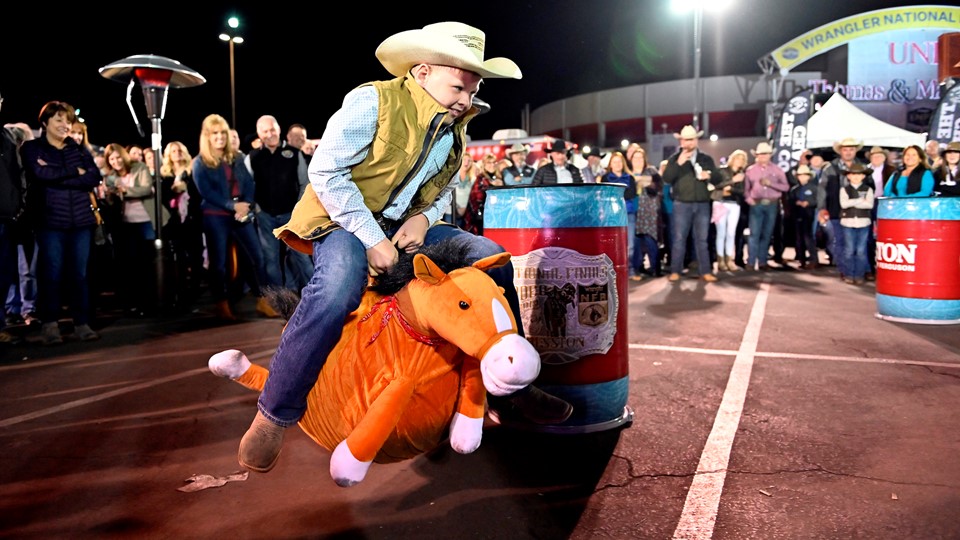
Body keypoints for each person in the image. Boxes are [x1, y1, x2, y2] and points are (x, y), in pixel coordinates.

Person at [239, 21, 572, 473]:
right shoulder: (371, 101)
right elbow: (326, 174)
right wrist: (372, 238)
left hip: (403, 226)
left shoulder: (457, 127)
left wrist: (422, 218)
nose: (466, 100)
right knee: (338, 286)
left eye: (472, 90)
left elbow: (442, 192)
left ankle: (505, 389)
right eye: (459, 86)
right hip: (339, 218)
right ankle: (274, 412)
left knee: (491, 259)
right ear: (422, 72)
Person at [19, 101, 102, 344]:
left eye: (67, 120)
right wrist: (75, 173)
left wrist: (60, 173)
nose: (65, 125)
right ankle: (50, 325)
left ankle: (82, 323)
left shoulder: (76, 148)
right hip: (50, 220)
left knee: (80, 274)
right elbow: (39, 174)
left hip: (81, 221)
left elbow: (94, 177)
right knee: (51, 273)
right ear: (44, 123)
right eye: (58, 120)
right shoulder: (33, 148)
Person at [193, 113, 277, 321]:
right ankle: (222, 304)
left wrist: (245, 205)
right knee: (219, 263)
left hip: (241, 214)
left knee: (258, 257)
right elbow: (207, 193)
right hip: (216, 216)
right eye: (215, 133)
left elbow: (249, 183)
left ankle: (263, 301)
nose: (220, 137)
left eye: (223, 132)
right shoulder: (200, 162)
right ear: (207, 136)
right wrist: (233, 205)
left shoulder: (237, 157)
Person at [246, 115, 313, 292]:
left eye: (272, 129)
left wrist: (299, 209)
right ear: (259, 134)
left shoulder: (294, 154)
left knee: (302, 257)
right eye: (265, 131)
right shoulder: (253, 157)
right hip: (266, 216)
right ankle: (278, 301)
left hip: (292, 217)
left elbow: (304, 183)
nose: (270, 134)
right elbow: (247, 185)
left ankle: (317, 295)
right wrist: (257, 209)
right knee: (271, 260)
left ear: (279, 129)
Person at [102, 143, 169, 316]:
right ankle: (134, 302)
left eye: (118, 157)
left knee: (148, 261)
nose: (116, 161)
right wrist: (110, 195)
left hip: (146, 220)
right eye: (112, 159)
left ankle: (154, 301)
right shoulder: (110, 177)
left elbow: (147, 189)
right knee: (131, 263)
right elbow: (111, 202)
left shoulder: (139, 167)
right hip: (126, 223)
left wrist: (124, 190)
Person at [661, 125, 719, 282]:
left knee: (702, 239)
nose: (688, 143)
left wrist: (710, 175)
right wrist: (678, 164)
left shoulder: (705, 159)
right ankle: (676, 271)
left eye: (691, 139)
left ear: (696, 140)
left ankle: (705, 271)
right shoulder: (674, 159)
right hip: (682, 204)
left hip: (702, 204)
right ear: (680, 141)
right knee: (679, 239)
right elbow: (666, 178)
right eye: (685, 140)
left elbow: (718, 179)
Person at [159, 141, 205, 309]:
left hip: (192, 221)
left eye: (180, 150)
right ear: (168, 155)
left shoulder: (193, 171)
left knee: (196, 257)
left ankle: (194, 292)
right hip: (174, 223)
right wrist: (174, 189)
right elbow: (163, 197)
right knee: (179, 260)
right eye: (173, 151)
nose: (177, 153)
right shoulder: (165, 175)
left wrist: (187, 187)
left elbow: (200, 193)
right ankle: (180, 293)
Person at [818, 137, 866, 279]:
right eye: (845, 149)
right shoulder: (830, 168)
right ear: (840, 151)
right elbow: (822, 190)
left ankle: (859, 270)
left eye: (851, 149)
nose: (848, 152)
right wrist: (822, 208)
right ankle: (845, 270)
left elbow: (869, 187)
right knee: (840, 241)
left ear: (855, 151)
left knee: (859, 243)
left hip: (858, 211)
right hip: (836, 211)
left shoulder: (863, 167)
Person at [0, 92, 25, 344]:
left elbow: (17, 174)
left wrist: (19, 204)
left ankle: (0, 325)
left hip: (6, 216)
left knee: (3, 273)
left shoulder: (6, 136)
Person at [743, 142, 790, 271]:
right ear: (756, 156)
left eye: (766, 154)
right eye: (761, 154)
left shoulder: (777, 170)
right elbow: (746, 189)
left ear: (770, 155)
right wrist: (749, 199)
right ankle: (751, 262)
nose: (763, 156)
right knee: (754, 234)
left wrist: (771, 184)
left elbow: (786, 187)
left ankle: (762, 261)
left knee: (767, 234)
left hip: (772, 204)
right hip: (756, 204)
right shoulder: (750, 171)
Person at [839, 163, 874, 285]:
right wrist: (860, 200)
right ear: (848, 176)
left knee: (861, 251)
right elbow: (844, 204)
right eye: (853, 174)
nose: (856, 176)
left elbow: (869, 205)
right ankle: (849, 274)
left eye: (859, 174)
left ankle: (859, 275)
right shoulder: (844, 190)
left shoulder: (868, 189)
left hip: (863, 222)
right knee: (849, 250)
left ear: (863, 176)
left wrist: (852, 202)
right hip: (847, 222)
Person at [713, 149, 747, 272]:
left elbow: (742, 191)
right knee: (721, 233)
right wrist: (733, 181)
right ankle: (720, 260)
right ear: (733, 159)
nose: (740, 161)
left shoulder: (742, 174)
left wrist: (730, 189)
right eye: (738, 158)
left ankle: (729, 260)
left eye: (742, 159)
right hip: (720, 203)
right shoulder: (722, 170)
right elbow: (716, 185)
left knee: (731, 233)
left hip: (734, 204)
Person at [463, 152, 503, 235]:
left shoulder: (499, 177)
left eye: (494, 162)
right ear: (484, 165)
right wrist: (492, 187)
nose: (492, 165)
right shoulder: (481, 178)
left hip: (497, 216)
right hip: (482, 218)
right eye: (489, 162)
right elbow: (477, 197)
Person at [789, 165, 819, 269]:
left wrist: (808, 203)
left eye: (804, 175)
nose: (802, 177)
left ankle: (813, 259)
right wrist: (796, 203)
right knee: (799, 238)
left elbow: (818, 200)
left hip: (809, 214)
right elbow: (790, 201)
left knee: (808, 237)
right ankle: (801, 259)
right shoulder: (794, 189)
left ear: (809, 176)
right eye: (800, 175)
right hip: (798, 214)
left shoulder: (814, 188)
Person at [443, 152, 475, 228]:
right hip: (451, 211)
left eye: (469, 160)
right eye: (464, 160)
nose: (466, 163)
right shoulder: (452, 176)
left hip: (465, 213)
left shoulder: (472, 178)